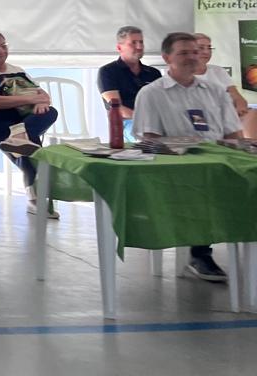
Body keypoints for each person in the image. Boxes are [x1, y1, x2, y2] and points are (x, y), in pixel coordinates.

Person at [132, 32, 242, 283]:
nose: (193, 57)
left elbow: (234, 134)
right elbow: (150, 140)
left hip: (218, 162)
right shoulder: (152, 93)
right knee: (204, 185)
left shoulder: (215, 91)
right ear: (166, 58)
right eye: (183, 53)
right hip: (177, 167)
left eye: (195, 52)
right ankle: (200, 254)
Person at [0, 30, 59, 218]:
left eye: (4, 46)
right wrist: (30, 99)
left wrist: (41, 103)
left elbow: (44, 96)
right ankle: (35, 199)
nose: (2, 50)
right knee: (29, 144)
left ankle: (18, 137)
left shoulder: (16, 69)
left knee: (50, 113)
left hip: (22, 122)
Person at [98, 26, 162, 140]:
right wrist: (146, 120)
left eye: (141, 42)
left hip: (154, 123)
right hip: (126, 123)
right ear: (119, 47)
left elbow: (161, 103)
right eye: (133, 43)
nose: (139, 47)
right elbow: (117, 108)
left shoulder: (153, 73)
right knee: (147, 135)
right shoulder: (108, 71)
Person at [193, 33, 257, 140]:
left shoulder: (218, 71)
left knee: (253, 114)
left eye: (209, 48)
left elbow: (237, 97)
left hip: (227, 116)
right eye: (201, 48)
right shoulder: (183, 75)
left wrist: (240, 108)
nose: (206, 52)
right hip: (200, 118)